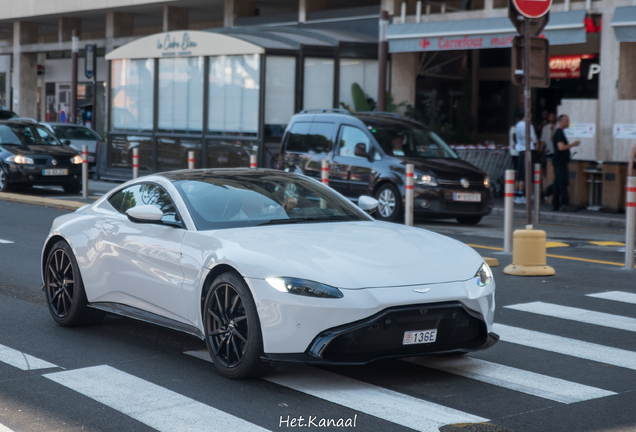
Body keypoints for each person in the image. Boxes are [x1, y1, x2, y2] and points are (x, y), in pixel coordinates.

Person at [552, 114, 580, 212]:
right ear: (561, 122)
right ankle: (564, 204)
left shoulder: (559, 132)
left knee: (557, 183)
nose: (568, 123)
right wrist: (573, 144)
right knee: (562, 183)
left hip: (558, 162)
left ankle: (555, 204)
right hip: (560, 162)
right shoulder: (559, 132)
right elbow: (561, 147)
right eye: (566, 121)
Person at [514, 113, 539, 205]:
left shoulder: (518, 125)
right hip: (527, 150)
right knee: (526, 174)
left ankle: (517, 194)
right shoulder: (529, 125)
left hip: (520, 150)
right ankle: (523, 195)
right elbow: (533, 139)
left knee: (519, 173)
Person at [539, 112, 557, 197]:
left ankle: (552, 191)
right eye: (550, 117)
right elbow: (542, 141)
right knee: (545, 173)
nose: (552, 118)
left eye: (553, 116)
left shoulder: (558, 127)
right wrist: (541, 150)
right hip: (547, 152)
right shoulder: (545, 128)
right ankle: (546, 191)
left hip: (555, 152)